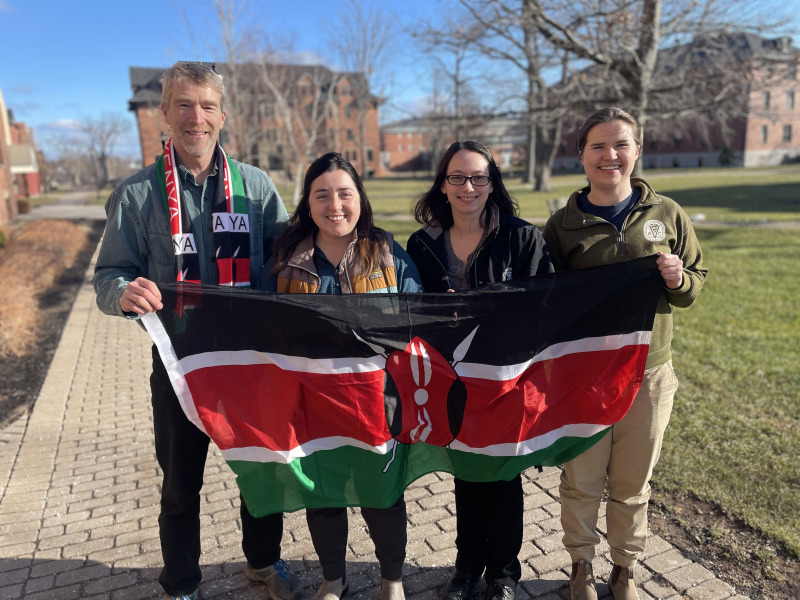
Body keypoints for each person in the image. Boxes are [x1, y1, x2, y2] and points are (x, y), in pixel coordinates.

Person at [93, 61, 302, 600]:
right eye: (183, 104)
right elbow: (108, 273)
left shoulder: (255, 188)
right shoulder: (137, 196)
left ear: (222, 115)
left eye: (207, 105)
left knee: (261, 473)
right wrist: (122, 293)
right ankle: (182, 581)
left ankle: (262, 562)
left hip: (249, 364)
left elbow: (287, 262)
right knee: (181, 484)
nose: (196, 117)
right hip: (180, 367)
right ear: (164, 113)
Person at [542, 107, 708, 600]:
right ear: (581, 155)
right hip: (584, 379)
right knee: (582, 479)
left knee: (633, 484)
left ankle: (625, 568)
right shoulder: (563, 226)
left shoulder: (668, 215)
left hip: (649, 376)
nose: (609, 156)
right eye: (598, 146)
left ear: (637, 150)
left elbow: (695, 285)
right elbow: (547, 300)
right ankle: (580, 564)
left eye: (620, 145)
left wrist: (679, 280)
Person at [261, 152, 423, 600]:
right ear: (308, 203)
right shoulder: (285, 259)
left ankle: (392, 579)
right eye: (322, 194)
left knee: (383, 494)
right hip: (312, 404)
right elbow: (257, 321)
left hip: (378, 402)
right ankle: (334, 579)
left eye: (345, 193)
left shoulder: (389, 253)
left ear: (360, 198)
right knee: (324, 494)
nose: (335, 204)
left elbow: (417, 319)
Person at [406, 140, 553, 600]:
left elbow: (545, 305)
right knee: (467, 475)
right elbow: (411, 311)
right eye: (457, 177)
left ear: (492, 183)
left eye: (478, 177)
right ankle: (466, 567)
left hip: (505, 380)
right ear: (443, 184)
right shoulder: (423, 244)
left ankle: (505, 574)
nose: (468, 187)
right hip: (452, 382)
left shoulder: (521, 238)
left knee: (505, 476)